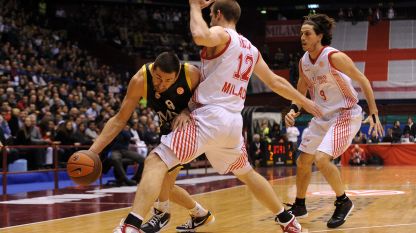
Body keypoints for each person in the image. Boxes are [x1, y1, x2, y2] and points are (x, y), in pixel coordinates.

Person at [111, 1, 322, 233]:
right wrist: (305, 102)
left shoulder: (223, 34)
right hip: (233, 122)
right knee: (247, 173)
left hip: (209, 117)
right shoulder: (250, 48)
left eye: (210, 15)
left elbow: (200, 35)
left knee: (156, 161)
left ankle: (131, 226)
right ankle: (287, 221)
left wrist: (193, 5)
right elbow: (275, 82)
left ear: (218, 14)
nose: (209, 19)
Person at [83, 51, 213, 232]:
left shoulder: (191, 74)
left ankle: (162, 213)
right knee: (164, 184)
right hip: (167, 130)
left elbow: (208, 101)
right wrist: (92, 151)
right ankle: (199, 214)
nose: (162, 84)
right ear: (153, 69)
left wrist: (185, 112)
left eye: (169, 80)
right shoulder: (140, 80)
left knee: (158, 174)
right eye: (158, 78)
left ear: (178, 74)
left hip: (191, 127)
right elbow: (120, 119)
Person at [284, 14, 384, 228]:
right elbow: (300, 91)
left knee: (321, 159)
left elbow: (363, 80)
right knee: (303, 160)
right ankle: (299, 205)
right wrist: (294, 109)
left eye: (307, 33)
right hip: (322, 116)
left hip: (345, 114)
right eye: (301, 33)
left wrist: (374, 111)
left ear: (319, 36)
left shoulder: (333, 57)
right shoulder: (303, 62)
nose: (302, 37)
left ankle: (343, 202)